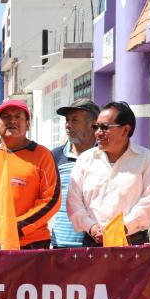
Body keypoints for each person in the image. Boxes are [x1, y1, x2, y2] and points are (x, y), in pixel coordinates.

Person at [0, 100, 60, 249]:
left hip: (31, 243)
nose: (12, 121)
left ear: (28, 124)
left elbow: (51, 200)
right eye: (6, 117)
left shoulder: (42, 155)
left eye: (18, 116)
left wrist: (17, 226)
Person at [67, 101, 150, 246]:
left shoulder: (146, 159)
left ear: (125, 130)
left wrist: (120, 229)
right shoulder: (85, 159)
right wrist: (91, 227)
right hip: (93, 241)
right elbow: (74, 201)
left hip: (132, 241)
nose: (98, 133)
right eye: (96, 127)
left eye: (104, 127)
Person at [50, 98, 99, 248]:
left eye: (75, 120)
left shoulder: (104, 156)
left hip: (96, 242)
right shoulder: (56, 156)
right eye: (67, 120)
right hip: (61, 242)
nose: (67, 125)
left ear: (93, 125)